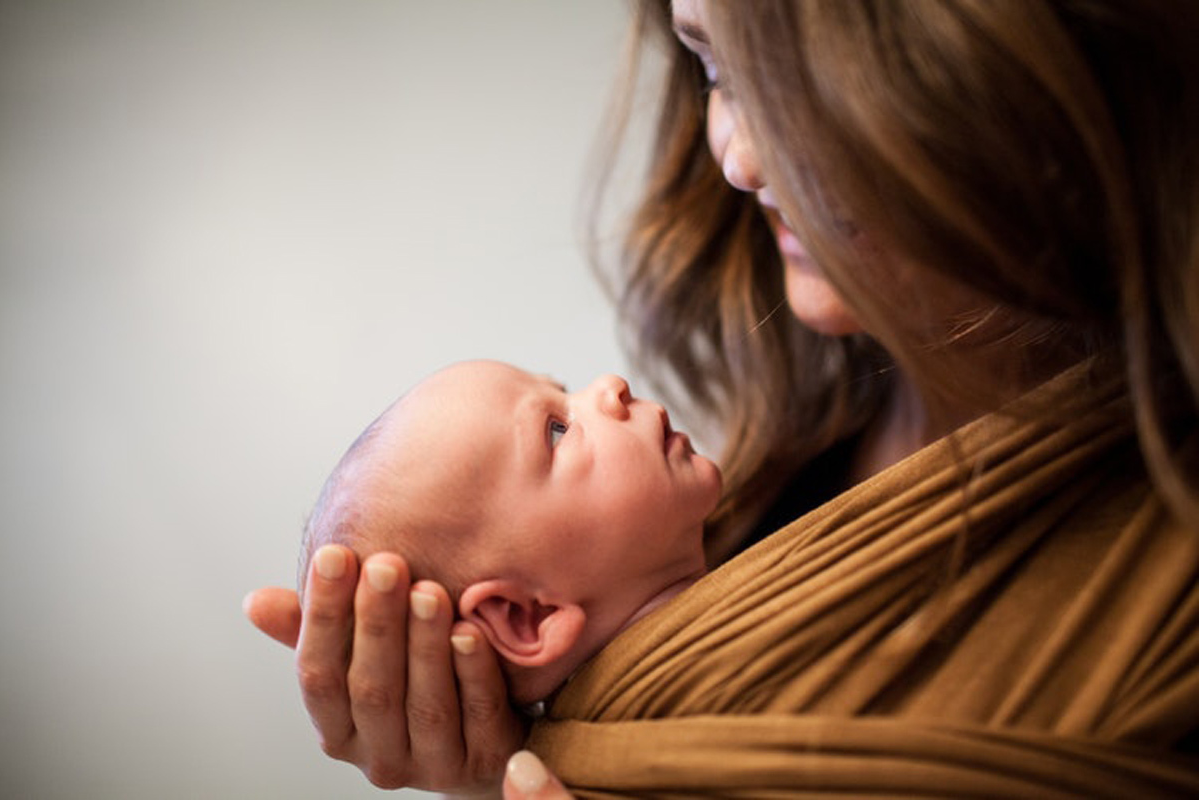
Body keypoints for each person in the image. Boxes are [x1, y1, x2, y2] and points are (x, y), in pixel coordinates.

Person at [244, 0, 1199, 795]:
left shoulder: (1158, 587)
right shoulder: (760, 462)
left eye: (786, 84)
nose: (736, 158)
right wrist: (498, 762)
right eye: (710, 66)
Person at [297, 359, 720, 708]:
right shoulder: (690, 707)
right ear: (526, 615)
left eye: (565, 390)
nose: (612, 385)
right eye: (559, 430)